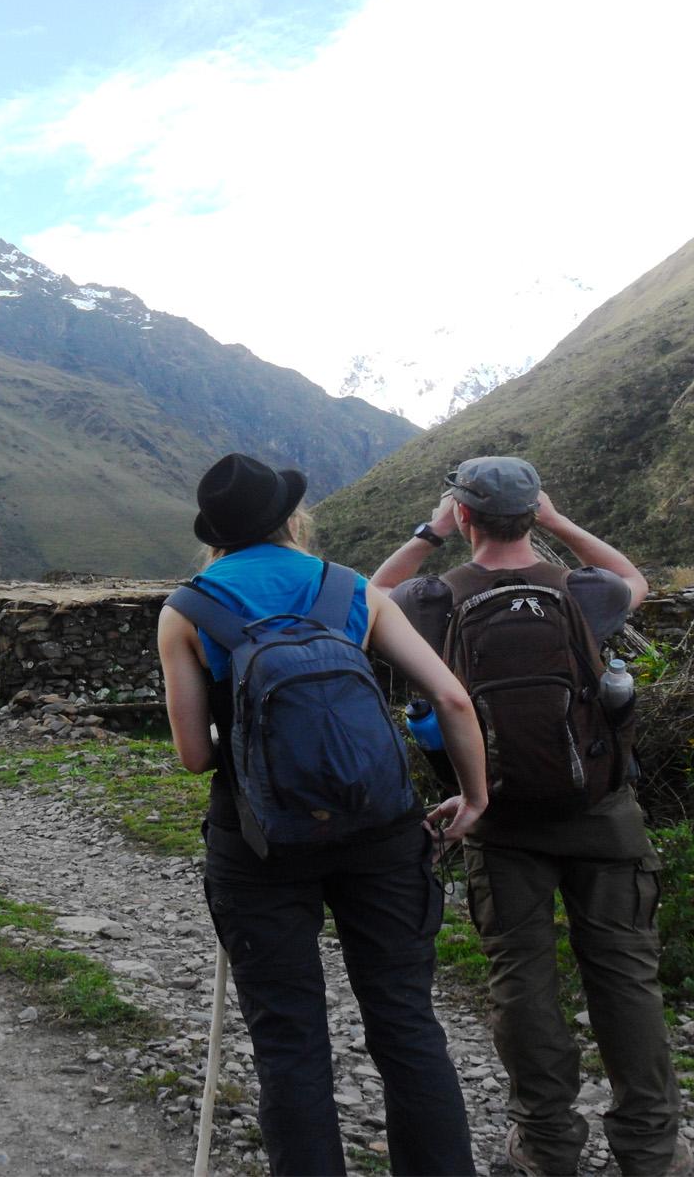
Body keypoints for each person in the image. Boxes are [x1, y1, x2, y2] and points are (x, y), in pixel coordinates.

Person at [158, 453, 488, 1177]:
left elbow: (192, 754)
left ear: (217, 533)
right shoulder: (352, 590)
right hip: (382, 832)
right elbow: (453, 700)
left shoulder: (187, 610)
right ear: (291, 518)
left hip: (259, 843)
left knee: (288, 1042)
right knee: (405, 1024)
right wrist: (475, 795)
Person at [370, 456, 689, 1177]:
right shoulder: (582, 592)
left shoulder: (432, 598)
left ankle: (546, 1146)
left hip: (498, 815)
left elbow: (369, 592)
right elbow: (636, 580)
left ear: (466, 518)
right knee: (626, 978)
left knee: (522, 980)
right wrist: (558, 521)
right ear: (531, 513)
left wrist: (429, 532)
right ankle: (652, 1148)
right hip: (602, 814)